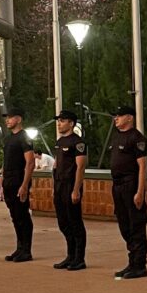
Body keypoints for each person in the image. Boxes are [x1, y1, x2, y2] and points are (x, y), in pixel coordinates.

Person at [109, 104, 147, 279]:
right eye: (115, 116)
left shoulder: (136, 137)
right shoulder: (117, 136)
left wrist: (140, 191)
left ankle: (139, 265)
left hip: (130, 184)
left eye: (119, 115)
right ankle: (131, 261)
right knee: (124, 225)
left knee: (136, 225)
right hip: (117, 185)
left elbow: (142, 166)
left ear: (130, 118)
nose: (115, 118)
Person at [52, 108, 87, 270]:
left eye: (62, 120)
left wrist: (76, 189)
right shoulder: (59, 142)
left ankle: (79, 258)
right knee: (63, 222)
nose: (59, 123)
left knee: (75, 222)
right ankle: (70, 255)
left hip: (70, 184)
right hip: (59, 185)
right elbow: (56, 166)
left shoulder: (77, 142)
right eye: (58, 121)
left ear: (71, 123)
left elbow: (80, 167)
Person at [0, 108, 35, 261]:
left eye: (11, 117)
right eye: (6, 118)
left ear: (19, 119)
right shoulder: (8, 139)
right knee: (14, 215)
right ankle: (19, 247)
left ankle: (26, 250)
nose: (7, 120)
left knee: (22, 215)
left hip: (18, 180)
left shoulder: (24, 137)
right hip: (8, 181)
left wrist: (25, 185)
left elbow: (30, 162)